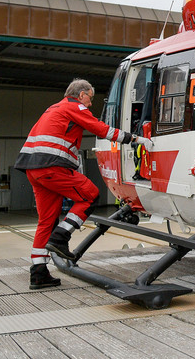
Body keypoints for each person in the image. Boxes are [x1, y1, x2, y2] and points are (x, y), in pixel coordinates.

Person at [15, 79, 151, 290]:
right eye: (90, 98)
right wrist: (135, 139)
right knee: (90, 195)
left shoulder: (53, 108)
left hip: (33, 169)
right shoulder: (75, 107)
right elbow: (102, 130)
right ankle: (61, 237)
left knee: (46, 221)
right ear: (81, 95)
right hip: (52, 167)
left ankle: (38, 272)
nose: (89, 104)